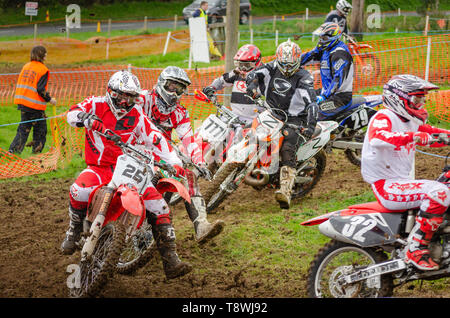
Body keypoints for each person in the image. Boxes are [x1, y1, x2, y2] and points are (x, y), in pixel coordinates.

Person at [61, 70, 192, 279]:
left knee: (160, 206)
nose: (124, 101)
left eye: (130, 97)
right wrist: (86, 119)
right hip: (99, 166)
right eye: (120, 95)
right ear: (110, 92)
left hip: (128, 166)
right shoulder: (96, 104)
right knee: (79, 189)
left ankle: (170, 259)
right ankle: (74, 230)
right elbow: (71, 114)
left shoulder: (137, 114)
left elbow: (156, 138)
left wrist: (175, 163)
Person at [361, 74, 450, 271]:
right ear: (399, 98)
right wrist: (414, 137)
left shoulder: (412, 122)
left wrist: (442, 137)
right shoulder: (383, 117)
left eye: (422, 100)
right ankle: (416, 247)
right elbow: (378, 138)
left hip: (401, 183)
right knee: (440, 192)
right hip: (386, 185)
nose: (420, 104)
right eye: (416, 99)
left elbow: (437, 134)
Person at [138, 66, 225, 244]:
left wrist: (200, 162)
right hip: (132, 147)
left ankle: (201, 225)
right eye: (171, 86)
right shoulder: (141, 99)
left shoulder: (180, 112)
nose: (174, 92)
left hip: (161, 153)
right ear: (162, 83)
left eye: (179, 88)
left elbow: (188, 139)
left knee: (187, 177)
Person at [246, 39, 318, 209]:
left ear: (298, 61)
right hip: (272, 112)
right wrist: (252, 86)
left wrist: (310, 126)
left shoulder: (304, 77)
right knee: (250, 131)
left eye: (290, 65)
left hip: (294, 120)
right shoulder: (271, 66)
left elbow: (312, 103)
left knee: (287, 146)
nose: (286, 68)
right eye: (283, 64)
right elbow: (253, 74)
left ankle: (285, 190)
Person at [300, 22, 354, 120]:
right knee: (300, 101)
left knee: (314, 114)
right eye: (320, 37)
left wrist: (324, 96)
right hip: (326, 92)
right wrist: (292, 63)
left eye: (323, 38)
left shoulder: (339, 53)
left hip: (340, 97)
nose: (320, 40)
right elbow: (307, 58)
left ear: (333, 37)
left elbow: (338, 79)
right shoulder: (325, 49)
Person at [9, 46, 57, 154]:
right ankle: (36, 155)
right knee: (40, 131)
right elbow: (40, 89)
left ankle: (13, 152)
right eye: (45, 54)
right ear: (42, 55)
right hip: (34, 106)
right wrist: (50, 99)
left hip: (23, 104)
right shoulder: (42, 69)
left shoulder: (26, 66)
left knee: (23, 129)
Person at [202, 44, 264, 125]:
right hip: (235, 116)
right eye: (241, 65)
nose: (243, 69)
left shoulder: (264, 75)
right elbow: (221, 80)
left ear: (256, 63)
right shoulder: (237, 72)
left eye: (246, 65)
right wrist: (212, 87)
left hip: (257, 119)